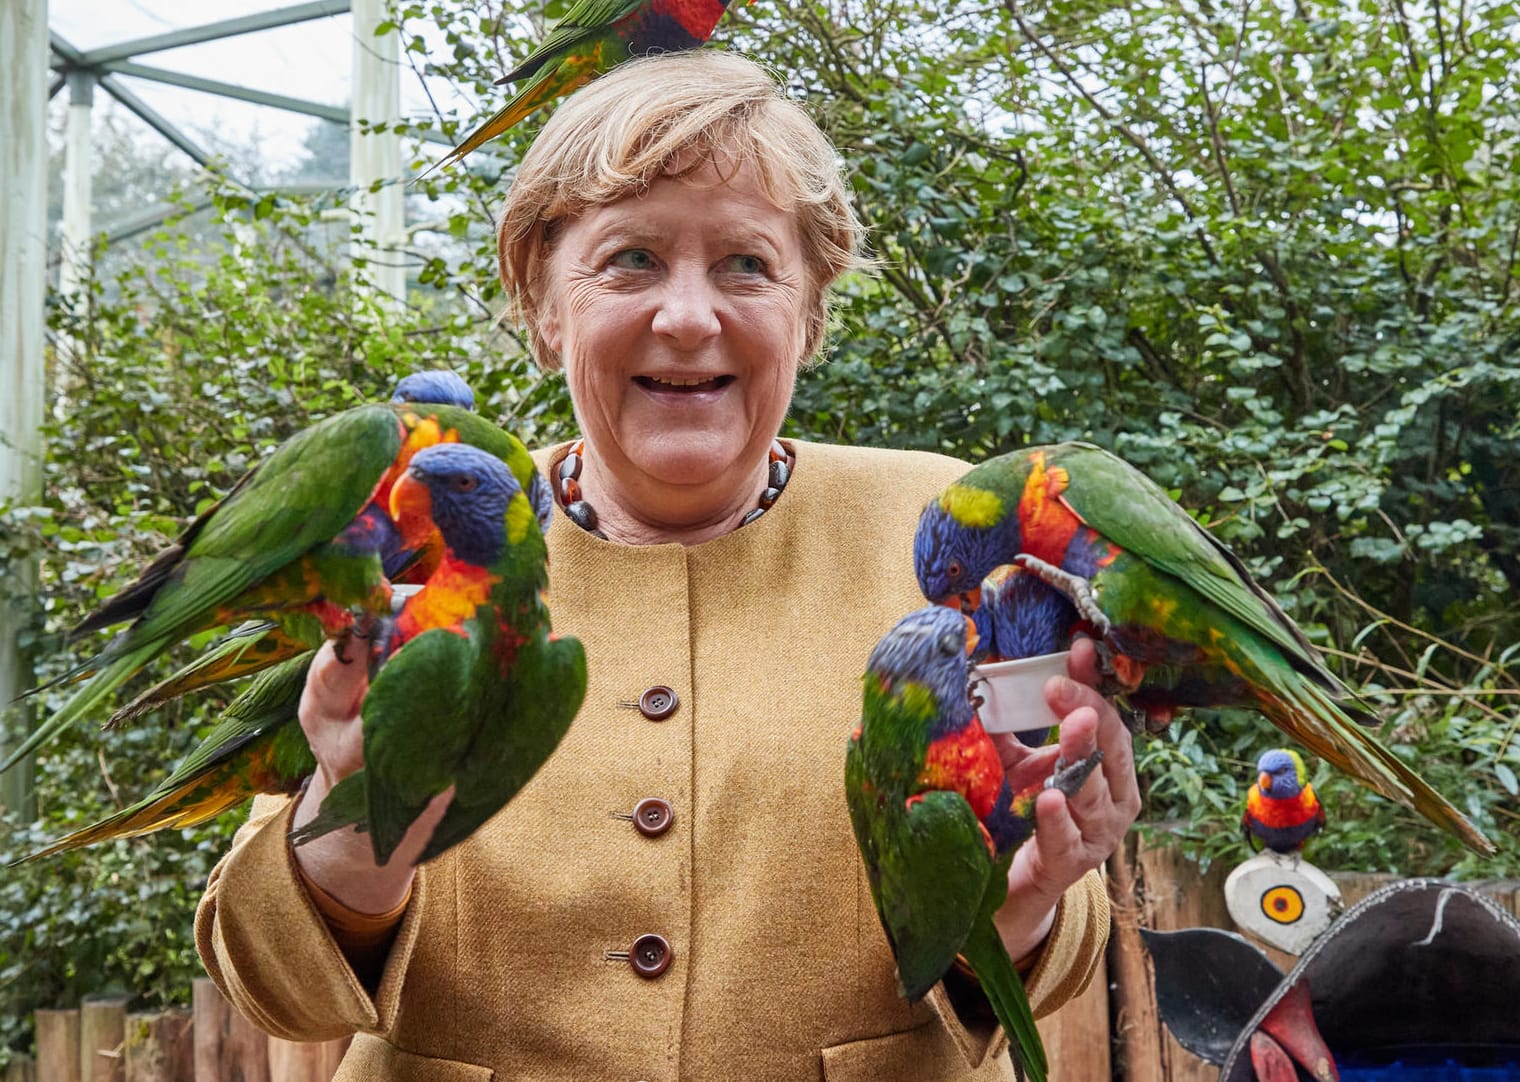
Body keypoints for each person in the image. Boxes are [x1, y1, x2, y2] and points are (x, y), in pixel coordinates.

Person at [196, 49, 1140, 1081]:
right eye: (631, 259)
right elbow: (271, 980)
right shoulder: (411, 537)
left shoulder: (948, 538)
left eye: (746, 264)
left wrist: (1025, 897)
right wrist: (356, 838)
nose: (688, 315)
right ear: (543, 305)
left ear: (810, 315)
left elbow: (1047, 933)